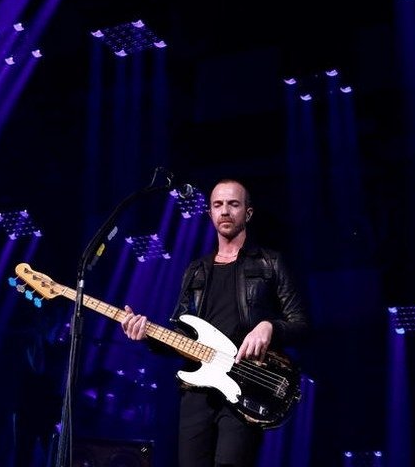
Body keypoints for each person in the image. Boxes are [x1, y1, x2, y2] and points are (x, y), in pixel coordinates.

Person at [119, 178, 310, 467]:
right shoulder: (196, 270)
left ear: (248, 213)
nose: (225, 211)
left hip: (246, 384)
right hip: (197, 392)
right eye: (218, 205)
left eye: (233, 204)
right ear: (209, 213)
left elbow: (301, 323)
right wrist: (147, 335)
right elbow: (180, 335)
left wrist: (269, 326)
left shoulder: (270, 263)